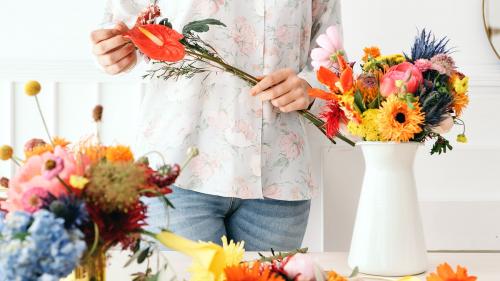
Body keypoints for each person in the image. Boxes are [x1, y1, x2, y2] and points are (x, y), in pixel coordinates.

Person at [91, 0, 342, 251]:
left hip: (278, 186)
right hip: (180, 176)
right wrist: (112, 50)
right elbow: (117, 27)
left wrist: (310, 91)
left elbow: (333, 67)